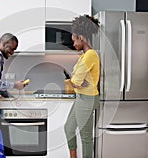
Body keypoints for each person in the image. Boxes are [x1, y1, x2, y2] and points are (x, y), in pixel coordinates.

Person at [64, 15, 100, 158]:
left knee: (86, 138)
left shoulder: (90, 55)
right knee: (69, 129)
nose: (73, 45)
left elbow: (75, 81)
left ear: (81, 38)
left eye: (74, 41)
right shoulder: (84, 56)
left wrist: (76, 81)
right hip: (82, 97)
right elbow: (76, 79)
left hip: (87, 99)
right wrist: (76, 81)